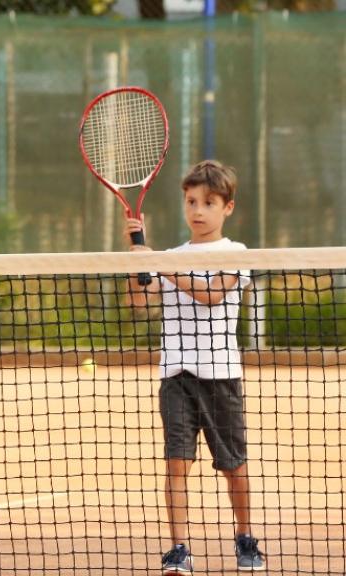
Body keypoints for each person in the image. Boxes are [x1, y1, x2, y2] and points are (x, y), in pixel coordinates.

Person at [124, 160, 266, 574]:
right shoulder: (168, 256)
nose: (197, 210)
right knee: (176, 464)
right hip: (176, 376)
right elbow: (138, 303)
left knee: (234, 465)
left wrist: (163, 265)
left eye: (208, 202)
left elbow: (212, 294)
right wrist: (136, 258)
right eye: (191, 201)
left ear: (228, 208)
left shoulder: (237, 254)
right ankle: (179, 548)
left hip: (221, 376)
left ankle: (245, 537)